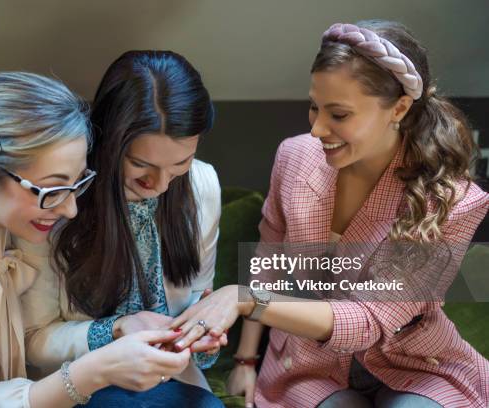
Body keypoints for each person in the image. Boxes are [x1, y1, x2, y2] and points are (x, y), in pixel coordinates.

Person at [169, 21, 489, 408]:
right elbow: (268, 263)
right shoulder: (295, 157)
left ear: (400, 108)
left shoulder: (453, 199)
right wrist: (245, 360)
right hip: (308, 364)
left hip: (416, 362)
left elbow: (368, 321)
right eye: (313, 107)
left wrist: (246, 299)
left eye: (338, 114)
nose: (318, 128)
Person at [0, 72, 191, 408]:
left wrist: (238, 298)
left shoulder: (4, 213)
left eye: (77, 183)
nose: (70, 209)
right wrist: (96, 370)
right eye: (53, 190)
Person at [16, 51, 225, 407]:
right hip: (79, 380)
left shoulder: (202, 184)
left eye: (179, 164)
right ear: (110, 143)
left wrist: (200, 331)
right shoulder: (61, 197)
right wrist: (117, 328)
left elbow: (198, 296)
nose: (159, 184)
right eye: (140, 165)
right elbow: (35, 339)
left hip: (173, 377)